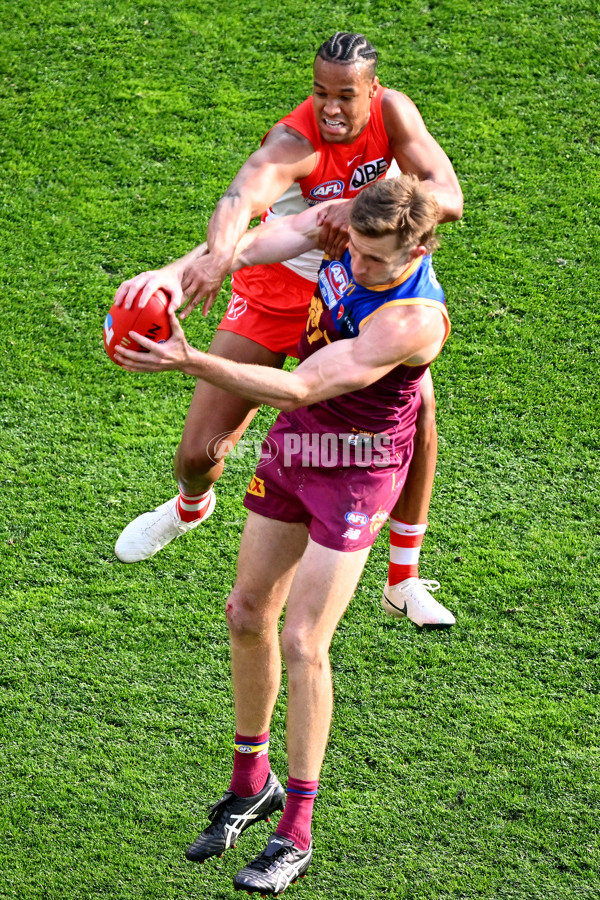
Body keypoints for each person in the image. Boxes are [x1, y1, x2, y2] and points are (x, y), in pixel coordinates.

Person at [115, 175, 451, 894]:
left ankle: (295, 829)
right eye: (353, 249)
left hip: (357, 467)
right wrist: (181, 273)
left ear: (419, 247)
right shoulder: (350, 221)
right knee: (246, 612)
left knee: (305, 641)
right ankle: (249, 784)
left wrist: (188, 359)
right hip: (301, 445)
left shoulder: (413, 318)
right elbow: (266, 239)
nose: (355, 264)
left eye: (373, 260)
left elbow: (302, 384)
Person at [113, 32, 463, 627]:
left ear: (372, 90)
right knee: (201, 451)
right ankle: (190, 505)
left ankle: (402, 577)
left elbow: (448, 196)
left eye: (345, 96)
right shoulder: (294, 139)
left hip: (362, 284)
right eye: (320, 92)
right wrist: (195, 266)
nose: (330, 108)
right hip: (279, 286)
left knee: (417, 410)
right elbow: (240, 200)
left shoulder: (395, 112)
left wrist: (351, 213)